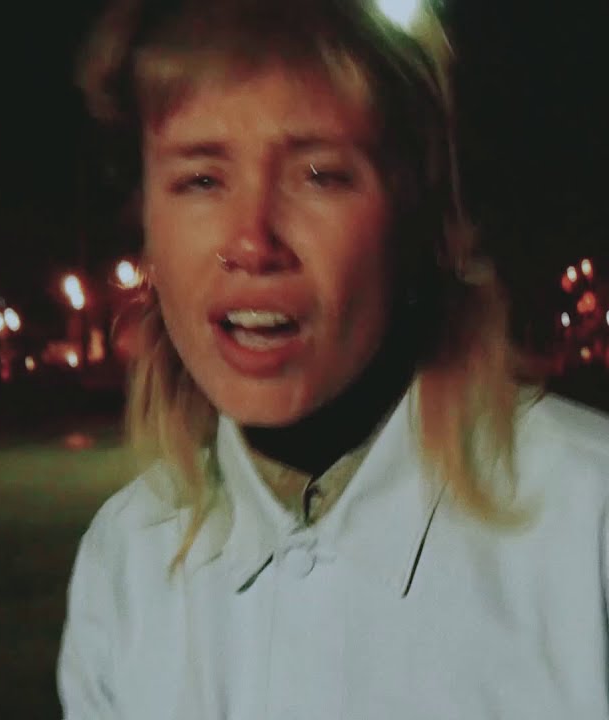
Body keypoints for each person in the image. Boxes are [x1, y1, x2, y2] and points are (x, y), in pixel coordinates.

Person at [58, 0, 609, 717]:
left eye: (319, 174)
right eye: (201, 180)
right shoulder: (123, 563)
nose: (251, 241)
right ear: (149, 231)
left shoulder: (588, 525)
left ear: (417, 216)